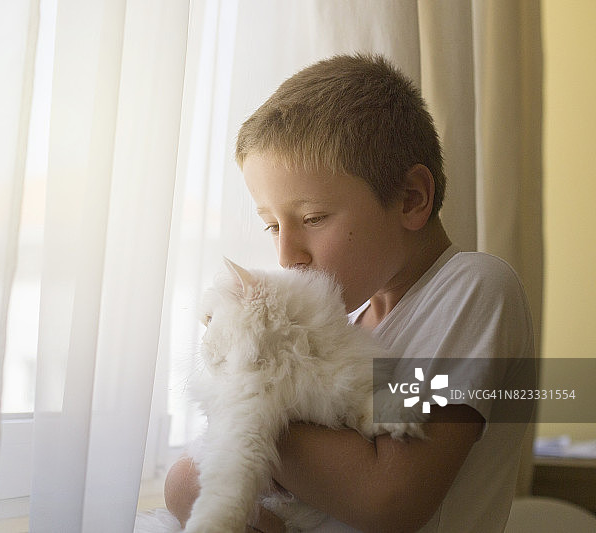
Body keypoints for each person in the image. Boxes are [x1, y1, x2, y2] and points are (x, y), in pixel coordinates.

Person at [163, 53, 536, 532]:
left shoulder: (474, 288)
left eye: (313, 218)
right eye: (271, 226)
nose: (287, 255)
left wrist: (249, 409)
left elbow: (386, 497)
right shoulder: (345, 322)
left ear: (411, 198)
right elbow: (188, 483)